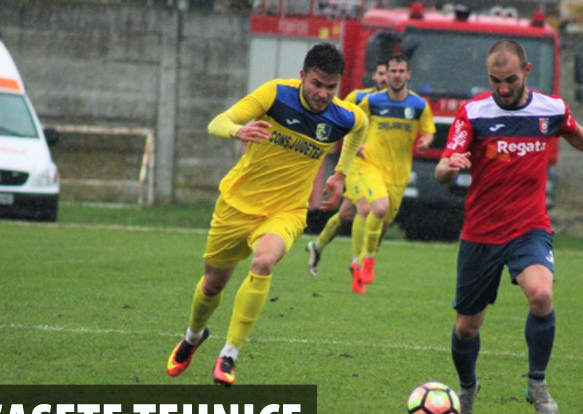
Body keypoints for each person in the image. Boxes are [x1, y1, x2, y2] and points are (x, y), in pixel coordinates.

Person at [435, 40, 583, 414]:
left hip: (529, 227)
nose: (502, 88)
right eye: (495, 80)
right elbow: (443, 169)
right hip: (481, 233)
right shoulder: (473, 113)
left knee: (541, 296)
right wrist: (448, 167)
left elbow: (574, 132)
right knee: (466, 328)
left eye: (509, 79)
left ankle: (537, 382)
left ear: (526, 71)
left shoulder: (549, 109)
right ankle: (467, 389)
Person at [166, 43, 367, 385]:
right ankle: (193, 336)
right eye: (317, 84)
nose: (323, 94)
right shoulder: (275, 95)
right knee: (212, 285)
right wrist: (238, 130)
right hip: (236, 204)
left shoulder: (344, 116)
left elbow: (360, 129)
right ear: (302, 76)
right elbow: (218, 122)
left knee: (263, 262)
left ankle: (229, 355)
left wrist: (340, 173)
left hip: (286, 210)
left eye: (331, 87)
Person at [309, 55, 435, 293]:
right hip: (366, 166)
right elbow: (346, 121)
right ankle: (361, 261)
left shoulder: (419, 105)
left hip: (398, 174)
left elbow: (429, 131)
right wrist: (352, 143)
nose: (394, 76)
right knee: (371, 208)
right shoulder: (367, 100)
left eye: (400, 71)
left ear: (408, 75)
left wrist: (426, 141)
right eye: (391, 71)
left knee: (369, 220)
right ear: (380, 75)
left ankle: (323, 248)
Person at [306, 60, 388, 277]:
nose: (384, 78)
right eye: (380, 73)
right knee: (365, 209)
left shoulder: (395, 104)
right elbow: (336, 118)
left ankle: (317, 246)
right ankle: (357, 263)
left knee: (345, 214)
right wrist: (351, 142)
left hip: (378, 169)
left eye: (386, 74)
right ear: (374, 76)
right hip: (356, 165)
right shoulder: (358, 97)